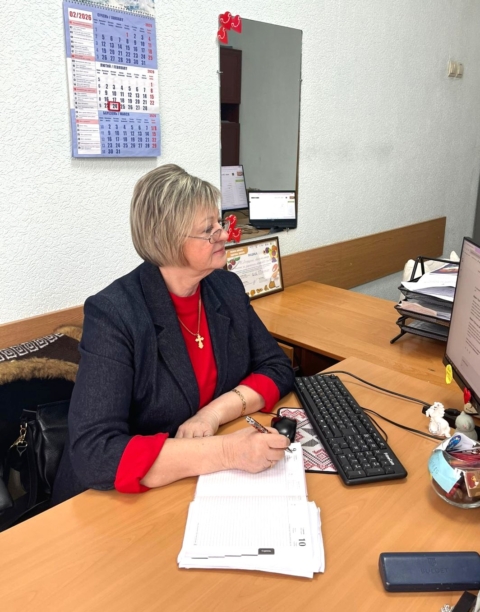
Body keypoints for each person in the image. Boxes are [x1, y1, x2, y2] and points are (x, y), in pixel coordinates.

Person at [52, 164, 295, 504]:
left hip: (192, 484)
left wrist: (213, 414)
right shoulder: (114, 313)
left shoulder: (225, 287)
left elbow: (277, 367)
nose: (224, 235)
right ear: (167, 240)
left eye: (220, 223)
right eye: (208, 230)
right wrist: (227, 452)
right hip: (116, 498)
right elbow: (95, 453)